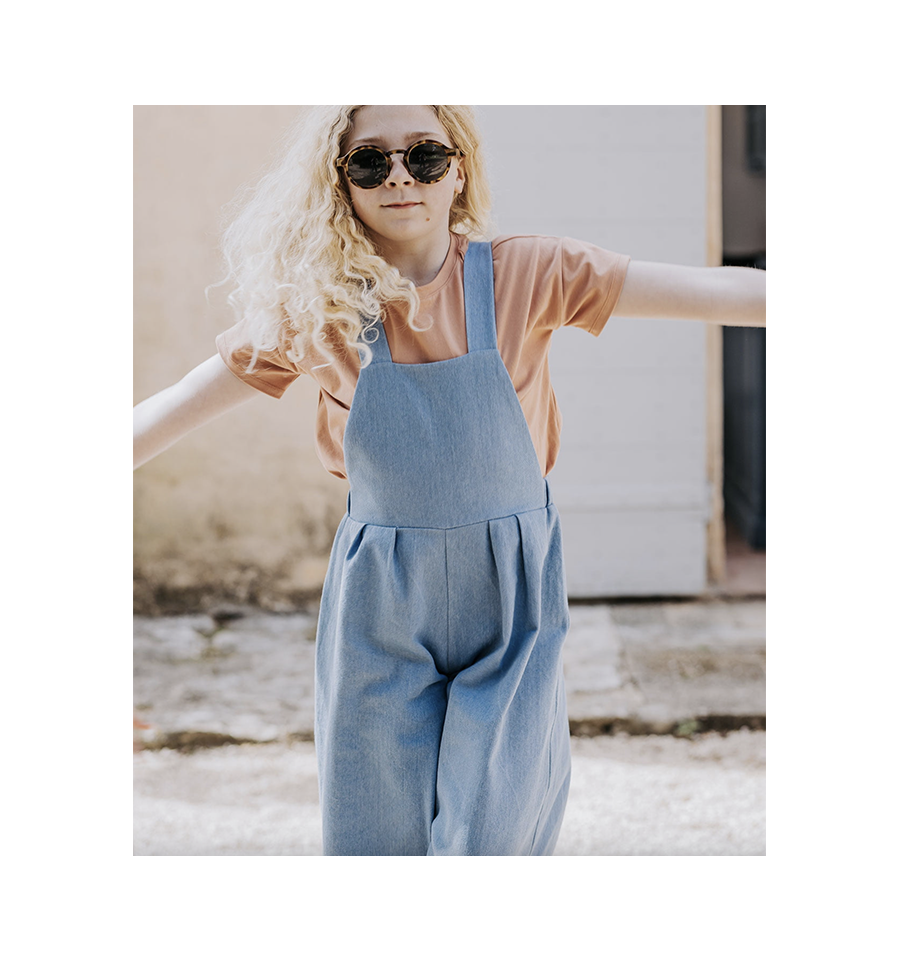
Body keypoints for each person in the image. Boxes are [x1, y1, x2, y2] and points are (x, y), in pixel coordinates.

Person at [134, 105, 765, 856]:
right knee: (376, 835)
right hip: (381, 603)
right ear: (339, 182)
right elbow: (180, 401)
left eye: (425, 156)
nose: (399, 177)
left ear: (458, 170)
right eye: (370, 161)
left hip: (511, 600)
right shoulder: (315, 308)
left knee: (492, 832)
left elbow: (717, 292)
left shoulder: (531, 274)